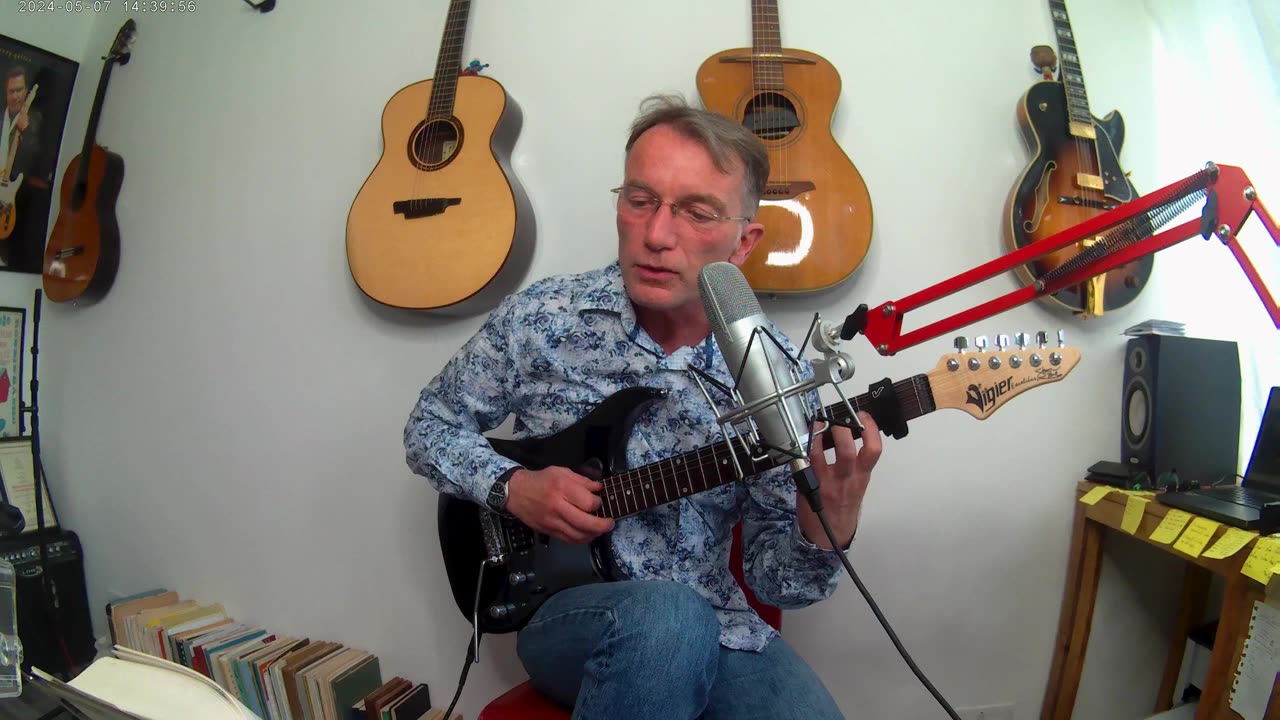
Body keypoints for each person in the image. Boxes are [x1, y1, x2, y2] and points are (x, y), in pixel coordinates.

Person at [404, 94, 882, 720]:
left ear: (744, 242)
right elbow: (428, 428)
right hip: (563, 608)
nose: (657, 235)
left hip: (716, 619)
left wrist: (832, 516)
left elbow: (776, 583)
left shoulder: (777, 376)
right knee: (667, 618)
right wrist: (513, 487)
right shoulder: (544, 318)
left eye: (697, 212)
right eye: (640, 201)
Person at [1, 64, 47, 271]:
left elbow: (37, 157)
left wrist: (26, 131)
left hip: (15, 195)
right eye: (12, 91)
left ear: (27, 91)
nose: (16, 96)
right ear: (5, 91)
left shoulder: (34, 119)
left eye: (20, 90)